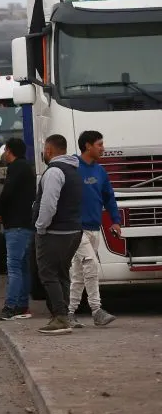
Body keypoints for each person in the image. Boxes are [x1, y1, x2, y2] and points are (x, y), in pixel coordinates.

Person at [32, 134, 84, 335]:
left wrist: (40, 226)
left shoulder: (54, 171)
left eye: (45, 149)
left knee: (48, 274)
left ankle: (60, 317)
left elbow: (48, 204)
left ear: (49, 150)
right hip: (73, 230)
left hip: (55, 232)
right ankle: (63, 315)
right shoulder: (73, 170)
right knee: (62, 273)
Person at [69, 130, 119, 328]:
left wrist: (115, 220)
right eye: (99, 144)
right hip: (76, 229)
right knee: (91, 264)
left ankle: (69, 312)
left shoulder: (100, 171)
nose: (103, 148)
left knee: (79, 273)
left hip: (95, 229)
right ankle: (96, 310)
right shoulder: (72, 167)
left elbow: (109, 196)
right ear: (88, 146)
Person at [0, 138, 37, 321]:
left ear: (9, 151)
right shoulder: (27, 168)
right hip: (27, 224)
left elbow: (7, 192)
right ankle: (22, 305)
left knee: (14, 267)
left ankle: (10, 307)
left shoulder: (16, 167)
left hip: (16, 226)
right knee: (24, 267)